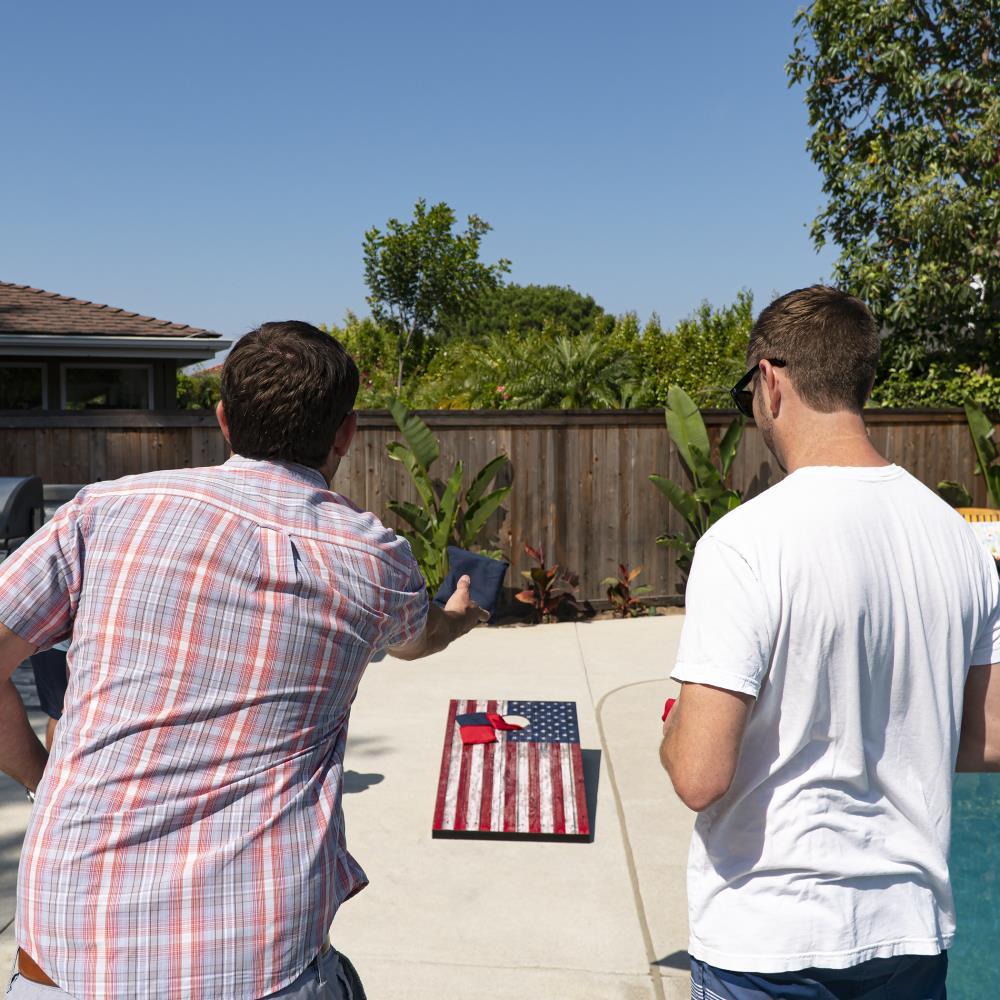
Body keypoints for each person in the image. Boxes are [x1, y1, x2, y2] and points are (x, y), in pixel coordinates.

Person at [0, 320, 487, 1000]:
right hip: (259, 963)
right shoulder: (373, 557)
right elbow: (417, 639)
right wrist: (459, 620)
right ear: (345, 433)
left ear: (224, 419)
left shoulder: (104, 513)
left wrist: (42, 780)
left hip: (69, 948)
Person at [659, 286, 1000, 1000]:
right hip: (908, 933)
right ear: (860, 382)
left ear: (771, 381)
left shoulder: (745, 543)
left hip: (769, 940)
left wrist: (675, 733)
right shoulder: (958, 542)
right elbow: (991, 739)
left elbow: (698, 775)